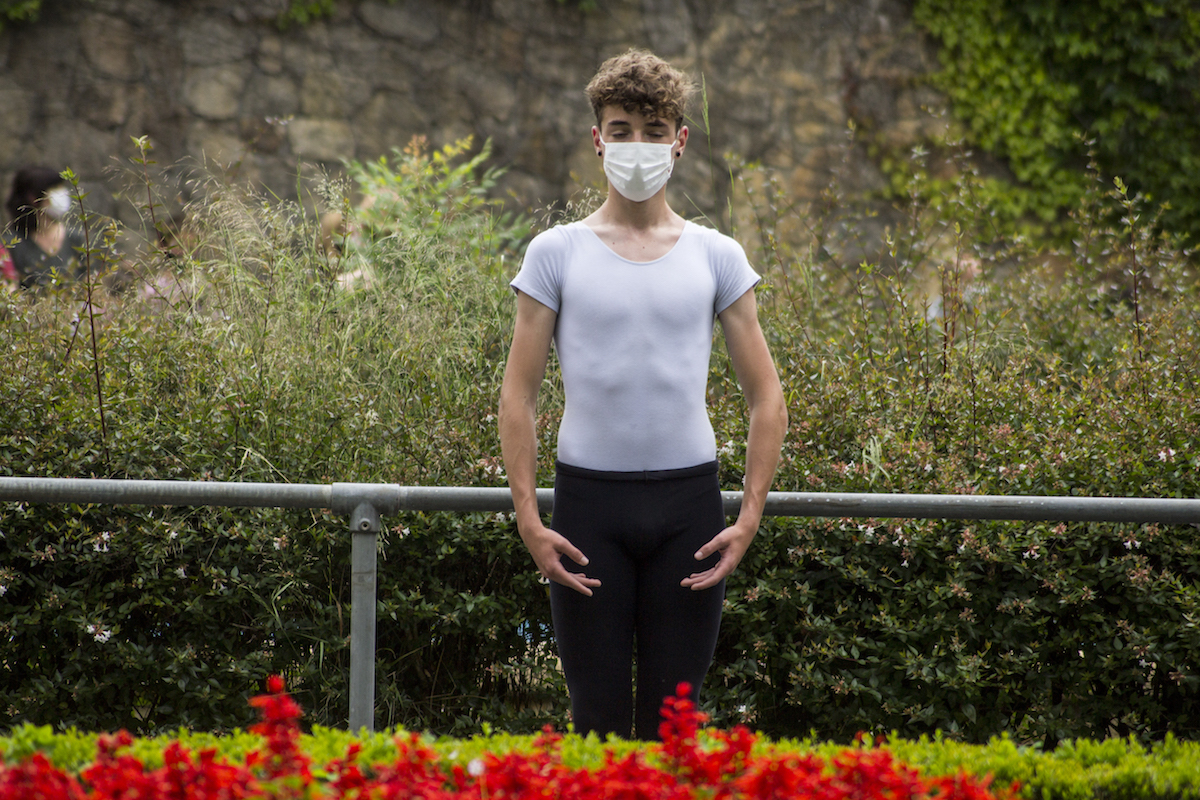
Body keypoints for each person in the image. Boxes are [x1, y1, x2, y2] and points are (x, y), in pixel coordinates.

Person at [498, 49, 788, 740]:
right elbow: (517, 397)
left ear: (679, 141)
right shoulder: (555, 253)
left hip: (690, 511)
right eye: (621, 129)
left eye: (653, 131)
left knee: (674, 731)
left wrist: (748, 517)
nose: (637, 145)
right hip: (587, 510)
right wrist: (529, 520)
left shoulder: (717, 255)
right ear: (597, 139)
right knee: (595, 728)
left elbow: (768, 399)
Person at [3, 166, 86, 289]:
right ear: (33, 198)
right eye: (55, 189)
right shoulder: (11, 245)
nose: (62, 194)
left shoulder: (77, 239)